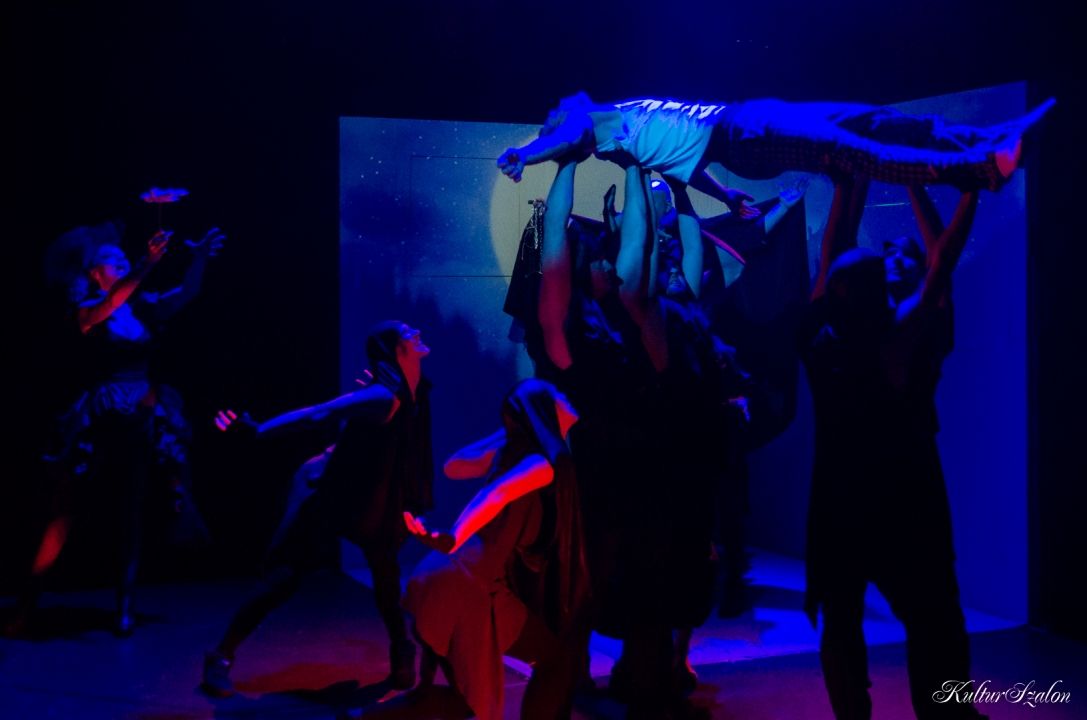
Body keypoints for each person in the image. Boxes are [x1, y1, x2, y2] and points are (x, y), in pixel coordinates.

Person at [798, 172, 987, 719]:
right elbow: (941, 265)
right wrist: (969, 190)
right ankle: (946, 712)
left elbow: (835, 254)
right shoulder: (895, 337)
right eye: (883, 261)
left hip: (839, 499)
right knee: (934, 618)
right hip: (902, 497)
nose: (889, 259)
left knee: (846, 620)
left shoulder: (819, 334)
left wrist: (849, 183)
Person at [7, 223, 223, 638]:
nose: (120, 258)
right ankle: (27, 603)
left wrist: (197, 260)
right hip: (101, 412)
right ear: (93, 272)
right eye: (111, 257)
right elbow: (111, 301)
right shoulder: (84, 311)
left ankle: (125, 604)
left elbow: (187, 293)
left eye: (124, 256)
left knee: (132, 509)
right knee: (66, 510)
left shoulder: (140, 306)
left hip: (142, 410)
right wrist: (147, 262)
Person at [201, 322, 433, 697]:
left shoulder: (414, 391)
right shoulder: (382, 397)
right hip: (325, 488)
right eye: (406, 330)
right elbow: (318, 413)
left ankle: (402, 650)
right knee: (283, 578)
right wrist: (258, 430)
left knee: (386, 574)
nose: (416, 330)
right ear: (394, 349)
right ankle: (220, 656)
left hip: (367, 496)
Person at [397, 378, 589, 720]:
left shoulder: (514, 453)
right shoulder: (539, 464)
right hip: (469, 584)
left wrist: (517, 427)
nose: (567, 394)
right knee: (554, 662)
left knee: (460, 702)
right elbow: (495, 492)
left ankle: (362, 716)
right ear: (541, 408)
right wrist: (454, 535)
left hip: (447, 573)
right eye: (557, 393)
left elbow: (455, 465)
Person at [498, 93, 1053, 196]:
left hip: (746, 118)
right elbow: (566, 135)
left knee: (873, 122)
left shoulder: (620, 125)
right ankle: (979, 167)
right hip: (746, 139)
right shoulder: (584, 127)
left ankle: (991, 139)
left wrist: (726, 198)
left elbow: (681, 170)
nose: (553, 108)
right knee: (855, 149)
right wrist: (529, 152)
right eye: (550, 119)